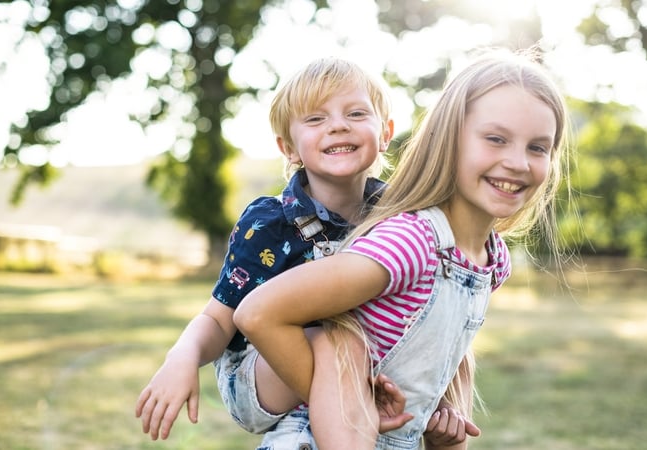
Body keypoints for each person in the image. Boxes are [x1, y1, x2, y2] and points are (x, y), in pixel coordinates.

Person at [234, 47, 573, 449]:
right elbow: (258, 312)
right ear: (449, 141)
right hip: (314, 440)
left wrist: (446, 416)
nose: (518, 162)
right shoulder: (411, 240)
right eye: (496, 139)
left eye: (538, 147)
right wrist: (352, 404)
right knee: (339, 342)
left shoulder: (492, 260)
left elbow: (450, 357)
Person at [135, 57, 474, 448]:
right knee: (337, 339)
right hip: (259, 374)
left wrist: (443, 399)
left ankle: (382, 415)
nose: (337, 125)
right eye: (315, 119)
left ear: (385, 134)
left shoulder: (400, 220)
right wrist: (183, 356)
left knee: (410, 322)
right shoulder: (270, 222)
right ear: (289, 148)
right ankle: (349, 418)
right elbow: (219, 319)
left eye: (356, 112)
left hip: (357, 372)